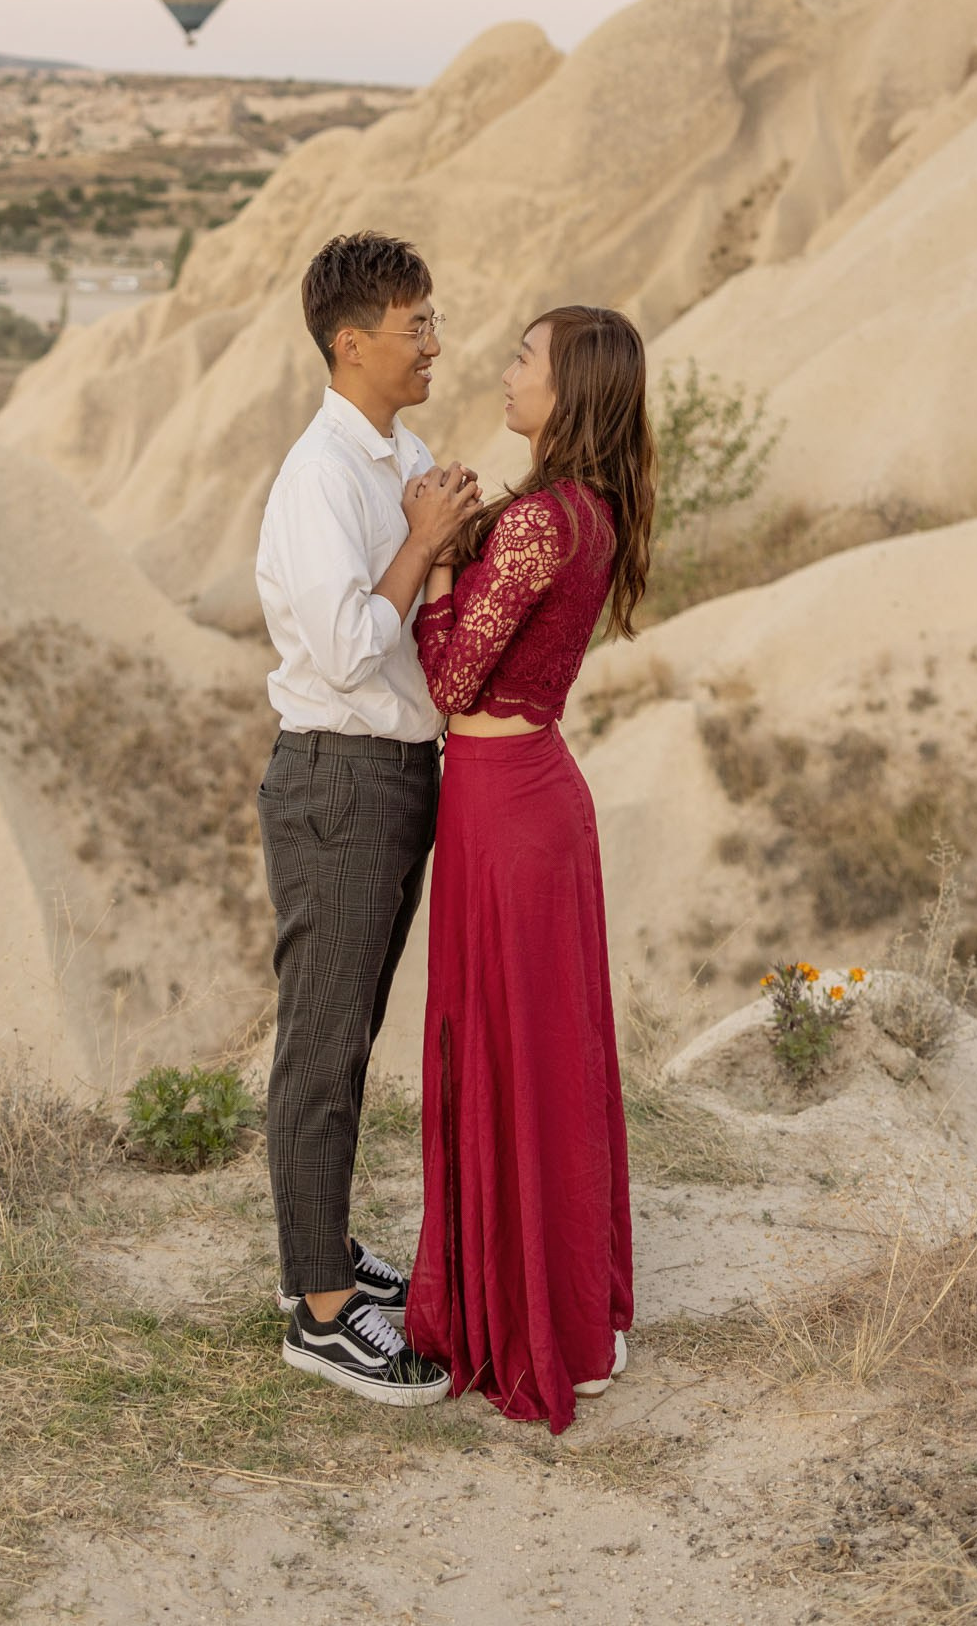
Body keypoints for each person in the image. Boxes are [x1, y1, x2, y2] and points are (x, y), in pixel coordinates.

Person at [403, 305, 655, 1434]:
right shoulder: (589, 511)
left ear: (571, 390)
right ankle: (570, 1316)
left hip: (503, 810)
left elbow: (453, 682)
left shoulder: (540, 524)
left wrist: (439, 564)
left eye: (525, 359)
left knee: (508, 1049)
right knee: (547, 1054)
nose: (506, 373)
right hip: (534, 797)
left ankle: (530, 1322)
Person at [254, 230, 475, 1405]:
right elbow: (345, 647)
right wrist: (429, 541)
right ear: (353, 344)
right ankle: (319, 1310)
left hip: (397, 772)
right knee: (323, 1043)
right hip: (338, 774)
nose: (435, 342)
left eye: (434, 321)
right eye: (416, 326)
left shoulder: (406, 450)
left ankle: (329, 1254)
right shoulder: (319, 478)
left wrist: (461, 539)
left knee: (357, 1028)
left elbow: (423, 610)